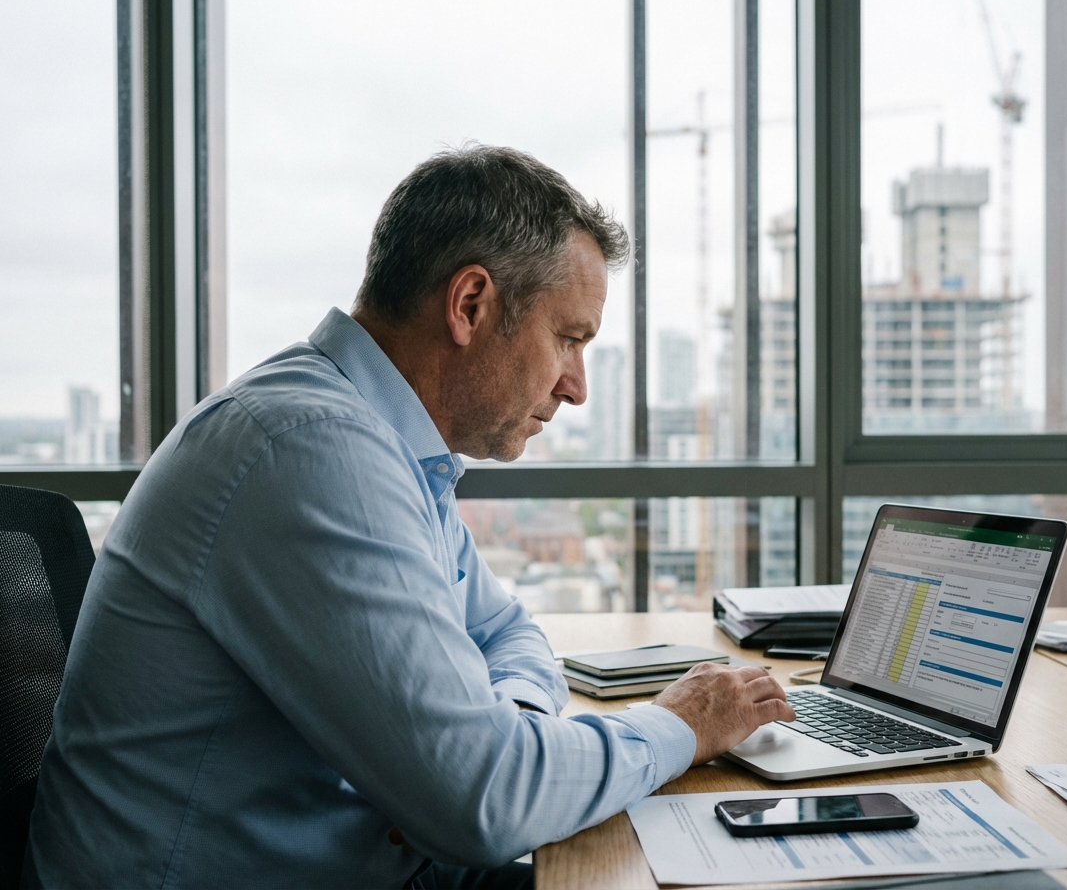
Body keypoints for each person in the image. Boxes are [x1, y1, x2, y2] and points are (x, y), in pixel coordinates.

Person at [23, 145, 793, 888]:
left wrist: (505, 731)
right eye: (568, 339)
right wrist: (682, 725)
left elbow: (505, 634)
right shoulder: (311, 452)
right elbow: (485, 804)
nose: (576, 387)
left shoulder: (378, 443)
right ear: (470, 304)